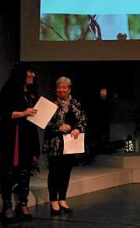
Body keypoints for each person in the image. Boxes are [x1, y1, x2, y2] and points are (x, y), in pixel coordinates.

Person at [0, 63, 40, 222]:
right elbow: (1, 112)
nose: (33, 75)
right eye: (30, 72)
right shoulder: (8, 92)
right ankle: (7, 205)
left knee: (25, 171)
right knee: (7, 171)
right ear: (22, 74)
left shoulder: (32, 94)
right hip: (11, 135)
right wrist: (23, 113)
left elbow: (35, 117)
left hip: (27, 135)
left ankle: (23, 204)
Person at [43, 76, 86, 215]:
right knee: (54, 171)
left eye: (64, 87)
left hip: (71, 144)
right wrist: (58, 127)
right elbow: (43, 122)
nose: (61, 90)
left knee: (66, 172)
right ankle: (53, 200)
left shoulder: (76, 104)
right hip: (55, 144)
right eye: (59, 87)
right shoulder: (51, 104)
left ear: (69, 89)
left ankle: (62, 198)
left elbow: (83, 120)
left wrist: (77, 129)